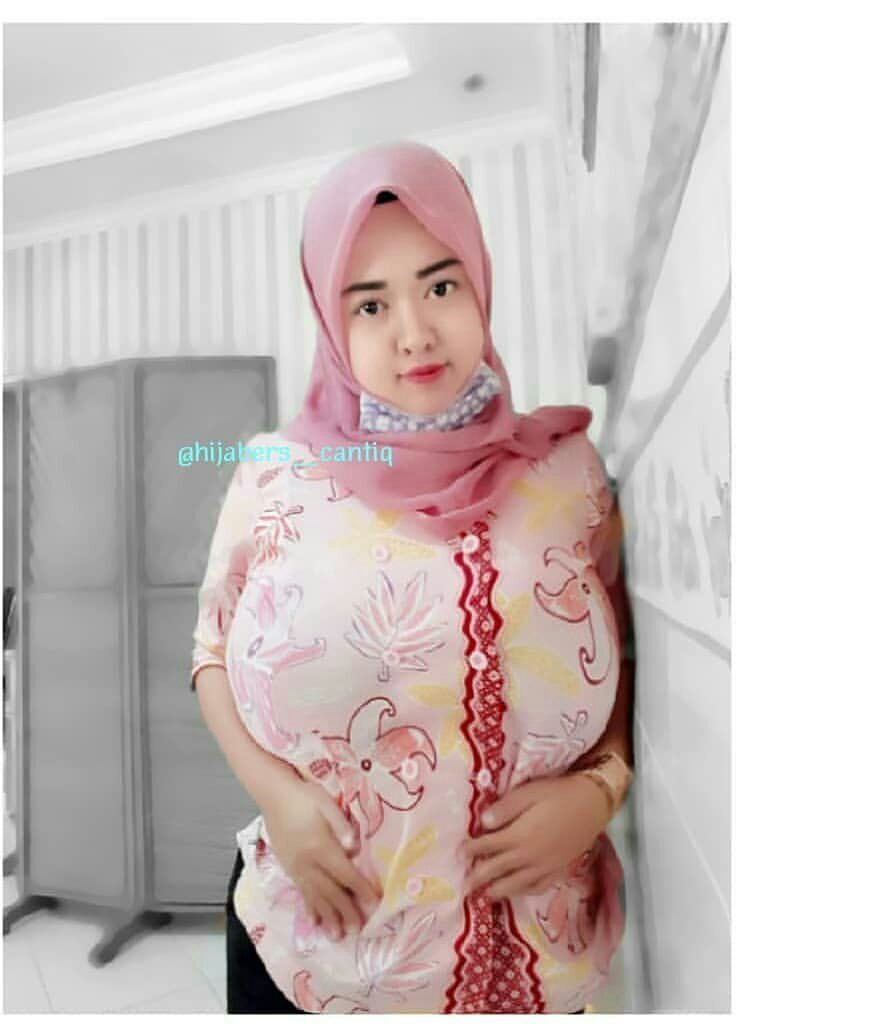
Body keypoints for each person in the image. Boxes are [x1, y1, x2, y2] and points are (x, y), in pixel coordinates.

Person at [189, 141, 635, 1015]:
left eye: (440, 286)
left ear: (480, 282)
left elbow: (623, 656)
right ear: (330, 320)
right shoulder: (275, 475)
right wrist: (278, 801)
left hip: (535, 964)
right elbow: (209, 652)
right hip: (310, 957)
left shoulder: (569, 475)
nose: (415, 333)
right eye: (370, 304)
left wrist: (600, 790)